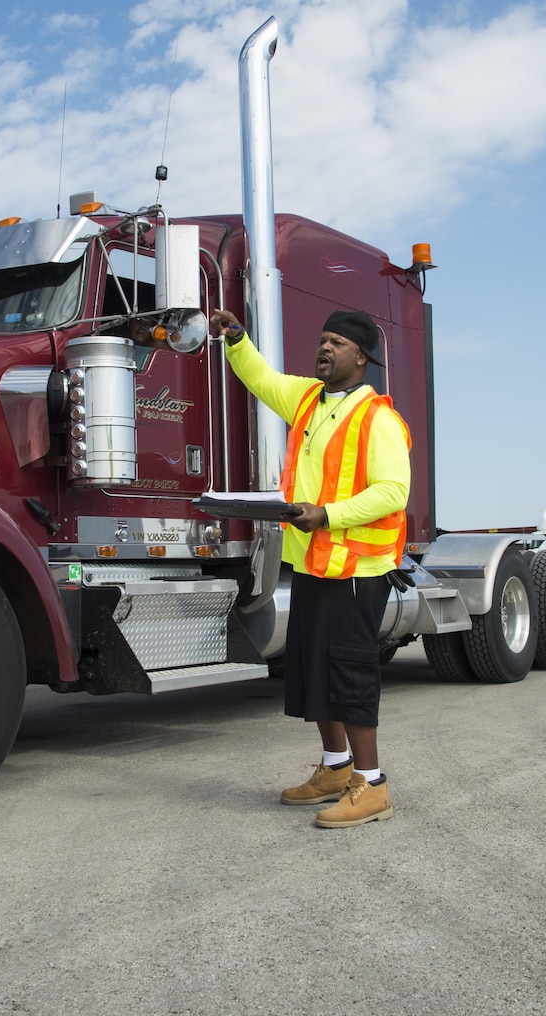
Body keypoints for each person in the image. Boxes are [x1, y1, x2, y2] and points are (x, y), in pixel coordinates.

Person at [209, 305, 411, 828]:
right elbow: (261, 378)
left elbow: (393, 492)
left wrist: (327, 514)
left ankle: (372, 785)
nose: (324, 348)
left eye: (336, 343)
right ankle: (336, 768)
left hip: (358, 569)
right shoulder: (306, 399)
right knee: (315, 669)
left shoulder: (379, 418)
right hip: (318, 567)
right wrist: (237, 339)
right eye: (322, 339)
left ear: (360, 357)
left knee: (350, 672)